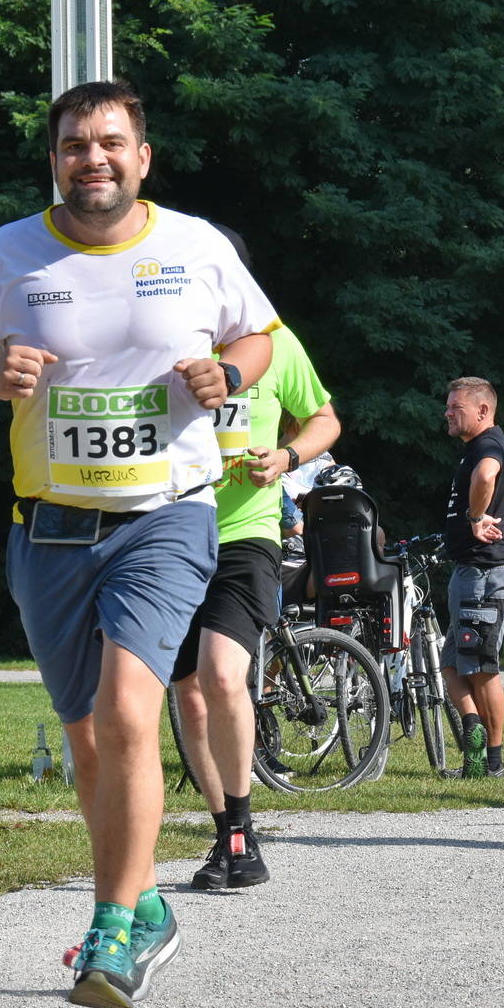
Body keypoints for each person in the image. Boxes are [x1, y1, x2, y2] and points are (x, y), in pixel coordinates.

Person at [0, 80, 277, 1008]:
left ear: (142, 157)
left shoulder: (196, 247)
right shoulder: (8, 254)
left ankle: (114, 928)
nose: (95, 158)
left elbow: (262, 340)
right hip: (48, 531)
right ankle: (148, 901)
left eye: (111, 142)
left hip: (166, 516)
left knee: (131, 711)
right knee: (89, 743)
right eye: (76, 145)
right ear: (56, 161)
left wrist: (225, 368)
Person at [170, 322, 339, 891]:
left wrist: (288, 458)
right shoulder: (161, 333)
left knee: (222, 676)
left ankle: (242, 832)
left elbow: (325, 418)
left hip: (246, 532)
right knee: (187, 693)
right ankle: (225, 830)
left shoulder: (276, 342)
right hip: (167, 533)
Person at [441, 376, 504, 778]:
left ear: (482, 411)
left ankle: (492, 762)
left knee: (482, 667)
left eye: (456, 406)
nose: (448, 413)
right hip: (471, 571)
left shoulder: (489, 446)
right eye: (448, 405)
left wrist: (474, 519)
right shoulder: (475, 447)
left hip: (487, 572)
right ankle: (473, 734)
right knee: (452, 666)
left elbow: (486, 476)